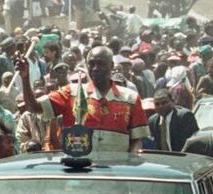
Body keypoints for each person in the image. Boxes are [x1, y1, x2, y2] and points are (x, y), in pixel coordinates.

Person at [19, 46, 149, 152]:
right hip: (79, 174)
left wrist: (129, 168)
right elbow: (34, 108)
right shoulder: (71, 92)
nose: (95, 69)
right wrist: (25, 78)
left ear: (111, 65)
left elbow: (136, 141)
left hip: (115, 175)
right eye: (91, 64)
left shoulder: (131, 98)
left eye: (101, 64)